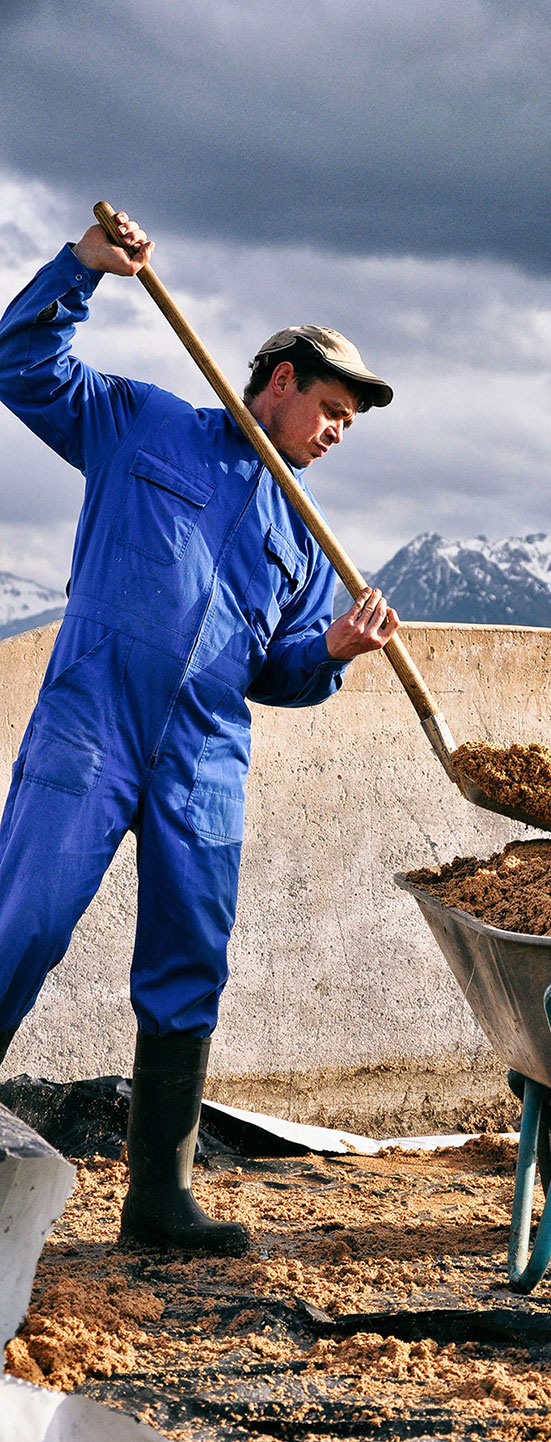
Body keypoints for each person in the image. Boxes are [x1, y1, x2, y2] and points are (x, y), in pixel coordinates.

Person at [0, 212, 400, 1254]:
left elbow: (280, 670)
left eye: (351, 426)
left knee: (188, 962)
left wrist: (336, 653)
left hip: (204, 760)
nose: (336, 433)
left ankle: (159, 1197)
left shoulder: (301, 541)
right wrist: (80, 271)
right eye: (331, 409)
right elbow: (21, 361)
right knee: (24, 922)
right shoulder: (141, 423)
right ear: (277, 379)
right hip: (90, 724)